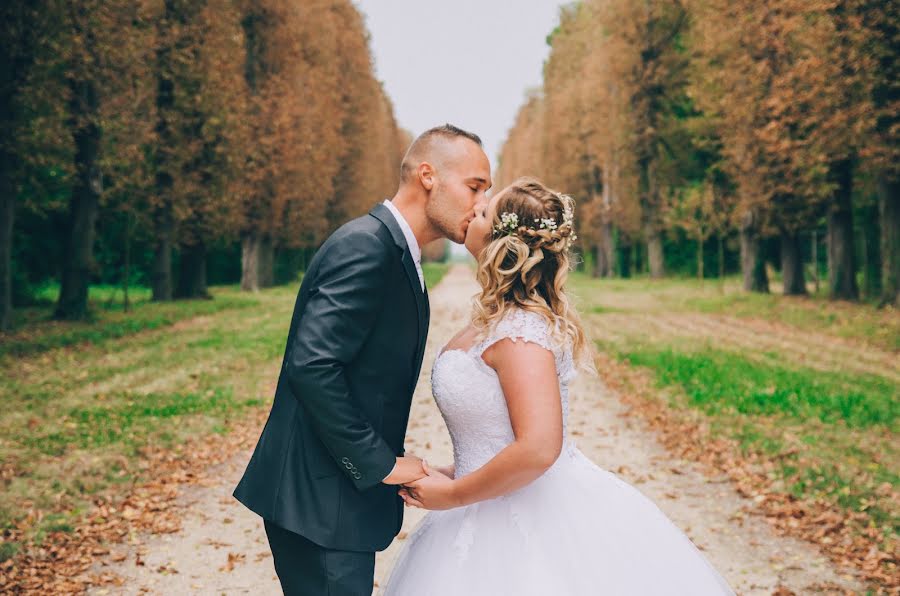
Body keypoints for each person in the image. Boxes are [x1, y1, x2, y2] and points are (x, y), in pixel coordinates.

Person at [381, 177, 734, 595]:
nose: (473, 209)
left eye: (483, 211)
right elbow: (498, 434)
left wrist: (456, 493)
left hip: (525, 519)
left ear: (503, 243)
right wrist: (456, 472)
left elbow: (538, 447)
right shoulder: (500, 321)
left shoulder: (519, 332)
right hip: (484, 502)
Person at [232, 124, 492, 596]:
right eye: (474, 186)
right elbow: (312, 365)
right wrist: (381, 464)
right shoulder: (366, 246)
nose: (480, 205)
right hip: (319, 503)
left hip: (334, 501)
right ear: (427, 175)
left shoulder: (396, 251)